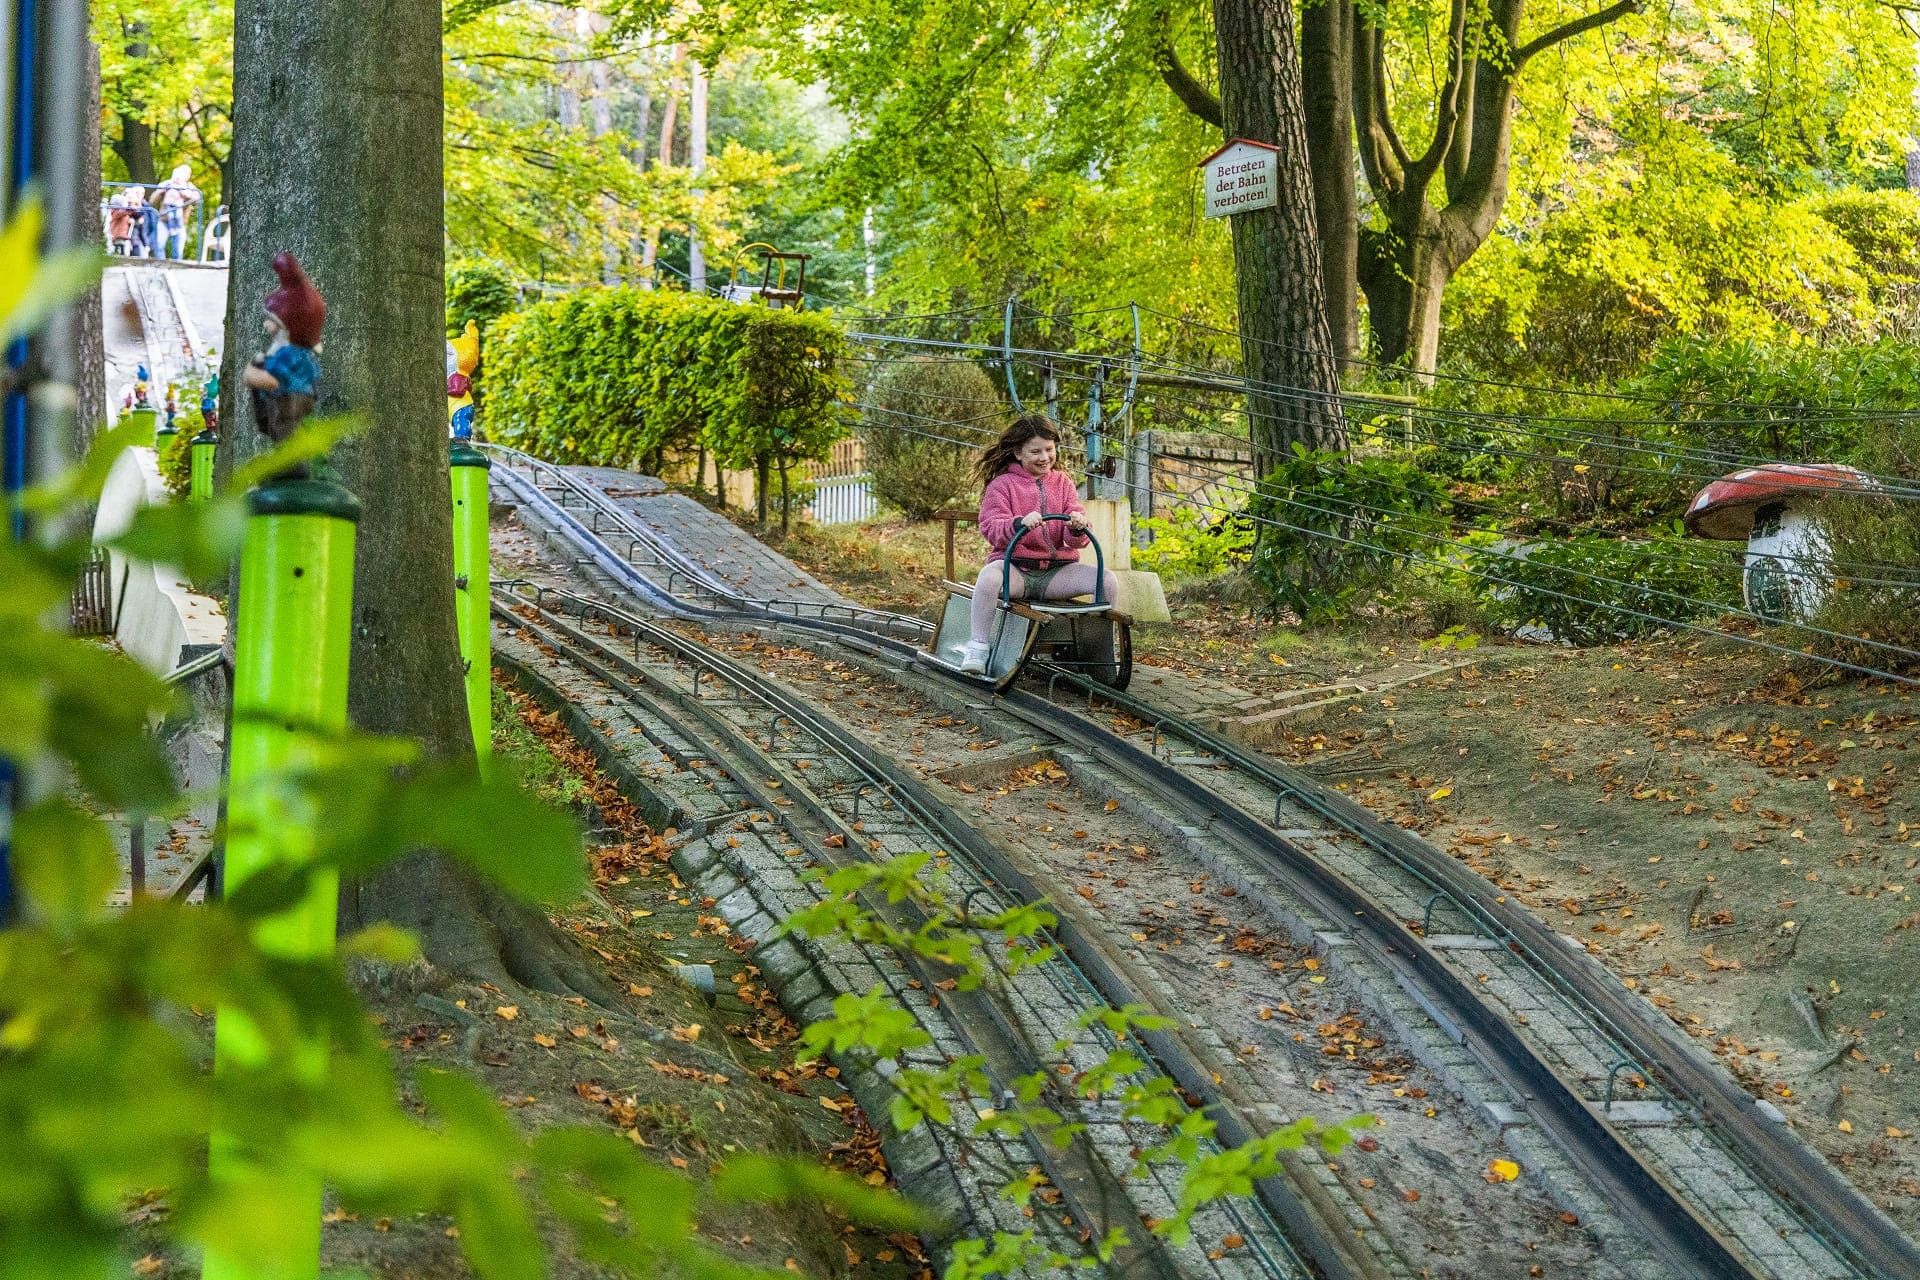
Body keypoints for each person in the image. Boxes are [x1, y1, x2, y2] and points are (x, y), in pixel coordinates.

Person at [958, 414, 1118, 674]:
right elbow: (990, 528)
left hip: (1055, 574)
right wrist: (1018, 524)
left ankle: (1097, 652)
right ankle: (978, 646)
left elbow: (1076, 542)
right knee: (988, 578)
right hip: (1017, 571)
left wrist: (1078, 526)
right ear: (1018, 453)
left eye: (1049, 449)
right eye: (1035, 451)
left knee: (1107, 581)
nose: (1044, 457)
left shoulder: (1063, 483)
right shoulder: (1002, 485)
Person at [155, 164, 201, 260]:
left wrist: (185, 193)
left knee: (178, 251)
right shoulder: (167, 184)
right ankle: (160, 265)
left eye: (187, 173)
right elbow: (153, 200)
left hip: (180, 223)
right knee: (159, 244)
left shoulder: (189, 186)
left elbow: (198, 200)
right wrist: (163, 191)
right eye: (183, 172)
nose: (185, 175)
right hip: (164, 220)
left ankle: (176, 268)